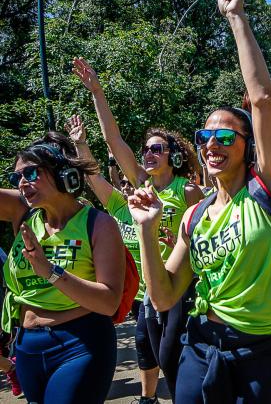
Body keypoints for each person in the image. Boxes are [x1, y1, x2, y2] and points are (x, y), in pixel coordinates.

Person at [129, 0, 271, 403]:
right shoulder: (194, 215)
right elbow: (164, 297)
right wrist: (146, 231)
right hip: (200, 347)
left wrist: (236, 18)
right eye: (206, 136)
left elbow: (261, 100)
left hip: (260, 354)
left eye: (226, 137)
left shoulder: (270, 190)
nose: (212, 144)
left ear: (248, 145)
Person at [72, 57, 203, 401]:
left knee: (170, 355)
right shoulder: (142, 184)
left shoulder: (187, 190)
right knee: (147, 347)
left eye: (156, 149)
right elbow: (113, 140)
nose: (147, 153)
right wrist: (97, 91)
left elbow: (207, 230)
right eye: (146, 149)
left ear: (172, 156)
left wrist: (185, 241)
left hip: (181, 284)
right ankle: (149, 398)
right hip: (149, 287)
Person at [1, 132, 125, 404]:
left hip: (80, 343)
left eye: (31, 173)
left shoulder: (99, 224)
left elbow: (109, 302)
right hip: (27, 347)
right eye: (16, 177)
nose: (22, 183)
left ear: (60, 173)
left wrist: (50, 271)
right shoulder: (23, 213)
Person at [64, 114, 173, 404]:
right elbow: (94, 177)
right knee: (145, 346)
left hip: (167, 287)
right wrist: (81, 145)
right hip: (137, 293)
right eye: (122, 183)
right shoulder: (117, 206)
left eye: (129, 181)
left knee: (164, 346)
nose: (126, 186)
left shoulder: (160, 202)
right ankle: (147, 397)